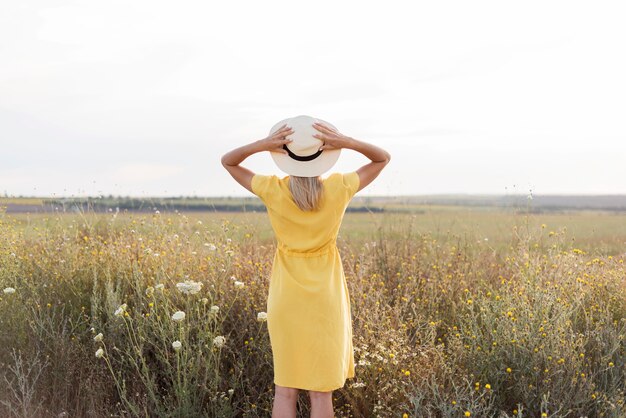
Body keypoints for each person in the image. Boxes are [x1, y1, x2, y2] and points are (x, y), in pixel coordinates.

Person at [221, 115, 391, 418]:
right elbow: (382, 159)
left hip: (286, 299)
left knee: (285, 390)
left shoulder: (272, 189)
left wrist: (262, 145)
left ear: (284, 156)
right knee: (321, 392)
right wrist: (347, 142)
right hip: (325, 299)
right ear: (325, 155)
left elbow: (229, 162)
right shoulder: (339, 187)